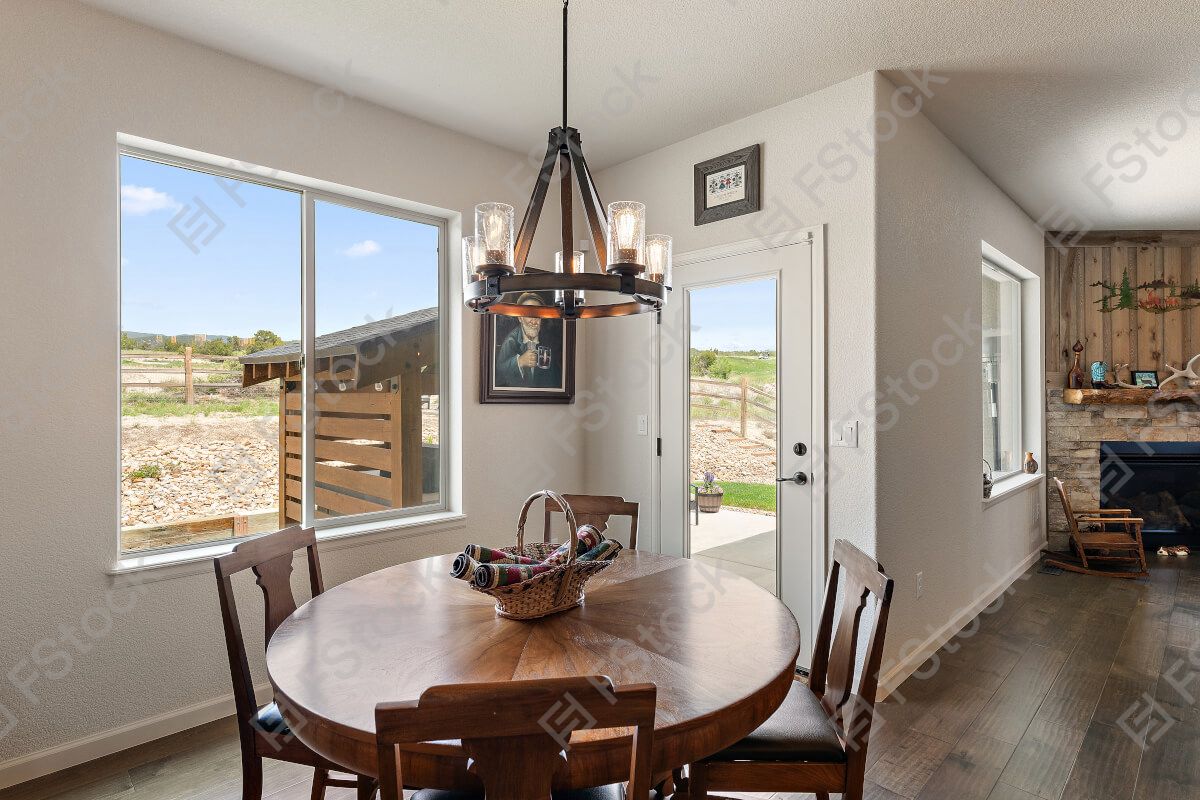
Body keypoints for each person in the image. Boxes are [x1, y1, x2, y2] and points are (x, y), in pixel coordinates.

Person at [495, 293, 562, 388]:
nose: (534, 321)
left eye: (537, 316)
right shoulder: (511, 341)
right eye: (529, 315)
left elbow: (556, 378)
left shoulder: (548, 339)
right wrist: (520, 361)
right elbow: (499, 373)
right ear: (520, 318)